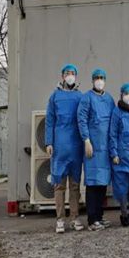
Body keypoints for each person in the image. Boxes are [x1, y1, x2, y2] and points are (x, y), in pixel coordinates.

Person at [45, 64, 84, 233]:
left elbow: (84, 119)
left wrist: (87, 141)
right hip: (60, 147)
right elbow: (49, 121)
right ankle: (60, 219)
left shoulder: (80, 96)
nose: (70, 76)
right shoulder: (55, 97)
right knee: (59, 185)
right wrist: (49, 142)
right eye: (67, 73)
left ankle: (74, 218)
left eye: (73, 73)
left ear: (76, 76)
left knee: (75, 185)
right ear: (62, 76)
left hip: (76, 146)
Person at [77, 68, 115, 231]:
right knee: (93, 184)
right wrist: (86, 140)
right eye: (97, 78)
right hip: (92, 148)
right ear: (92, 80)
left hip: (105, 149)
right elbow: (81, 119)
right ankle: (92, 219)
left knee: (102, 183)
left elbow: (114, 122)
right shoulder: (87, 98)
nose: (99, 80)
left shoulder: (109, 99)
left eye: (102, 78)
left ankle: (99, 216)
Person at [109, 83, 129, 226]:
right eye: (125, 94)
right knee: (122, 187)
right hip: (120, 157)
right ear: (121, 95)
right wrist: (114, 153)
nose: (128, 96)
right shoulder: (117, 112)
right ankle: (124, 214)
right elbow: (113, 134)